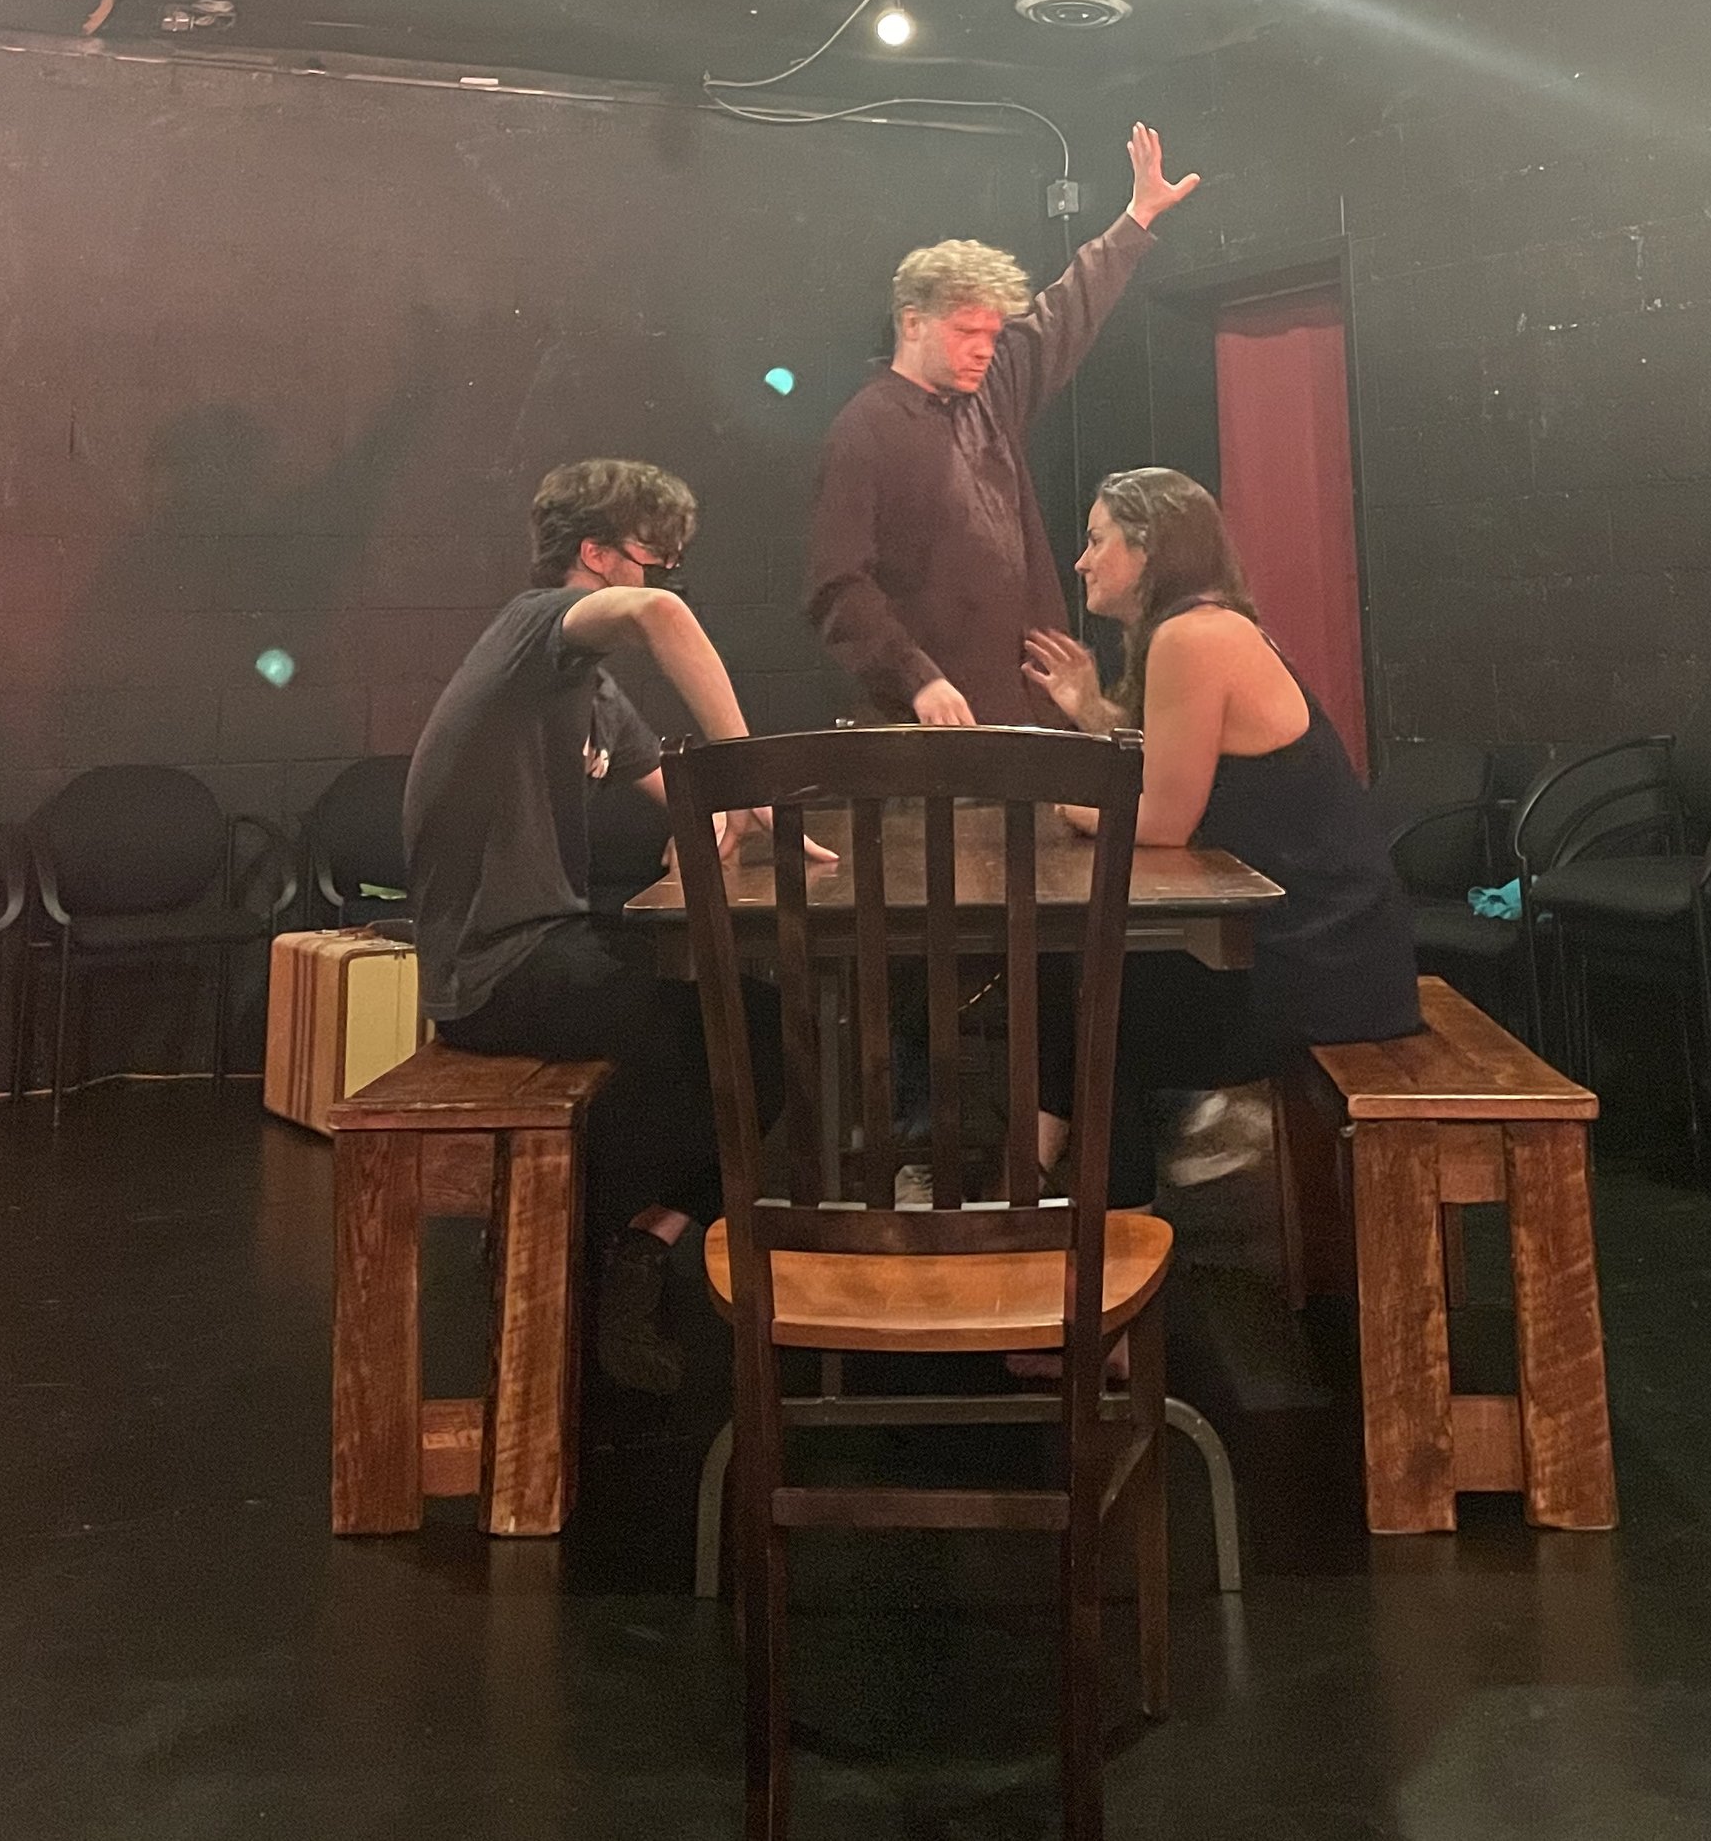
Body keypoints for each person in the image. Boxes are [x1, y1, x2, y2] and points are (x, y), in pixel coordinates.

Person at [403, 456, 781, 1395]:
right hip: (493, 970)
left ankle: (634, 1243)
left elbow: (677, 790)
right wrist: (746, 776)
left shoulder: (588, 689)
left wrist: (733, 821)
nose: (660, 576)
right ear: (597, 554)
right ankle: (566, 1244)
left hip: (546, 947)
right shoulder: (532, 628)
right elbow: (661, 617)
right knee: (738, 1033)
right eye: (652, 556)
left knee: (764, 1026)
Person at [1022, 467, 1421, 1209]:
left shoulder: (1193, 637)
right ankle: (1033, 1188)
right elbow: (1170, 768)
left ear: (1147, 547)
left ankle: (1107, 1226)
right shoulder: (1204, 626)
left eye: (1096, 540)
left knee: (1096, 1006)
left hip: (1323, 966)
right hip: (1329, 946)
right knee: (1074, 978)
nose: (1081, 561)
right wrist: (1090, 710)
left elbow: (1164, 823)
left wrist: (1062, 805)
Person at [805, 122, 1202, 726]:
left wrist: (1137, 217)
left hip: (1025, 709)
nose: (984, 349)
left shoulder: (990, 387)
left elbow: (1065, 311)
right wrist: (917, 679)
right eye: (966, 332)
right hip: (934, 721)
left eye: (992, 334)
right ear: (912, 324)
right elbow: (836, 585)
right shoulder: (865, 431)